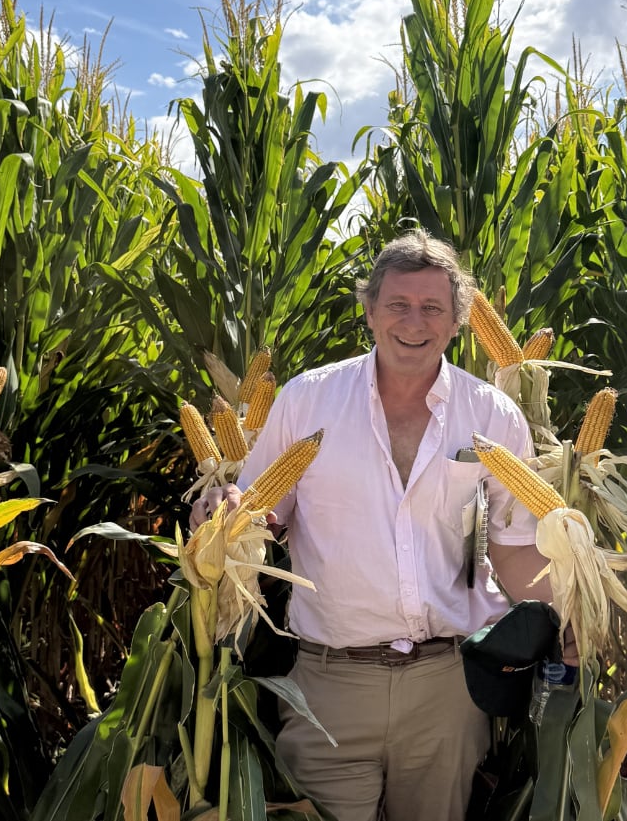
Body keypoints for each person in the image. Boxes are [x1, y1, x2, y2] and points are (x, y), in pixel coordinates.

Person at [190, 231, 568, 821]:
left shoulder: (493, 415)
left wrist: (572, 615)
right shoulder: (307, 401)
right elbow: (260, 518)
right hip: (329, 689)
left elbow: (514, 550)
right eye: (398, 305)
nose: (414, 322)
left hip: (448, 689)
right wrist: (221, 514)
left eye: (432, 307)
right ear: (369, 312)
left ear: (458, 321)